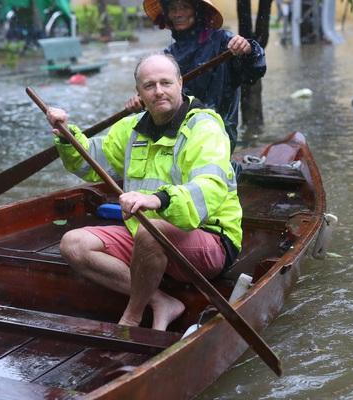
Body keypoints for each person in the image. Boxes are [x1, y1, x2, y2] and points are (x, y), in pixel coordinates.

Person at [46, 52, 242, 331]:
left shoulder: (205, 128)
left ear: (180, 84)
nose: (158, 91)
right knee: (73, 243)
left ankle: (132, 318)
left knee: (152, 231)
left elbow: (208, 188)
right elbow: (89, 161)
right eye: (149, 86)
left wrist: (157, 199)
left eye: (165, 83)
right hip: (146, 236)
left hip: (210, 240)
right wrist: (67, 136)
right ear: (139, 92)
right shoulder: (131, 128)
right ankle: (161, 301)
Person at [126, 0, 266, 153]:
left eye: (184, 7)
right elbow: (160, 100)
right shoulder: (167, 56)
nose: (178, 14)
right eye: (172, 9)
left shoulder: (223, 42)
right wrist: (141, 101)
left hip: (216, 134)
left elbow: (254, 72)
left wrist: (248, 50)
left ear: (198, 11)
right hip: (175, 137)